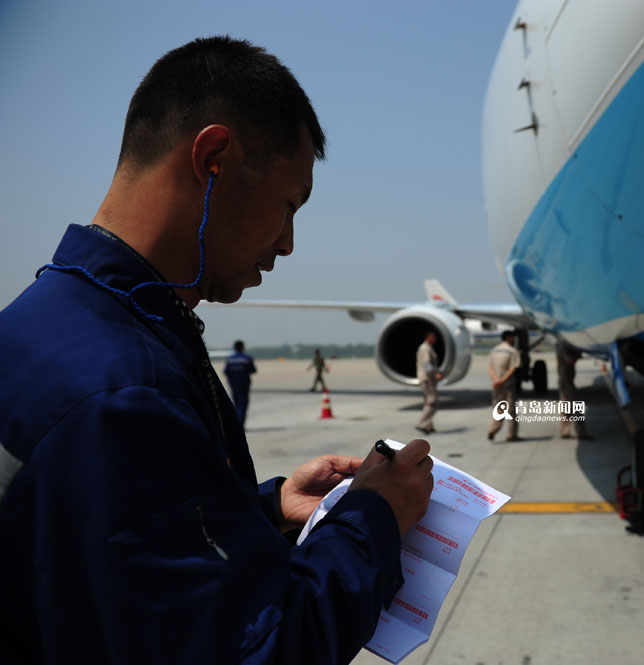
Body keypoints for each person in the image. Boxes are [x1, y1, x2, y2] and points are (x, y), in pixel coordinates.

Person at [0, 37, 434, 664]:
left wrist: (257, 511)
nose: (286, 243)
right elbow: (263, 649)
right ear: (213, 160)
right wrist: (373, 517)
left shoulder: (48, 324)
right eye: (289, 205)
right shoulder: (123, 392)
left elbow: (102, 547)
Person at [487, 330, 521, 442]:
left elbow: (490, 368)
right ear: (508, 338)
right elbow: (512, 369)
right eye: (513, 337)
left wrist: (495, 380)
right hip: (507, 385)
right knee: (511, 410)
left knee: (498, 409)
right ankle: (512, 435)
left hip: (496, 385)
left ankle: (493, 429)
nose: (514, 340)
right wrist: (502, 380)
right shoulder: (512, 351)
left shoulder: (494, 350)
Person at [556, 339, 592, 440]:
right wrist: (577, 353)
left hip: (564, 381)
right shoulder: (563, 346)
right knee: (576, 407)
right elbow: (571, 360)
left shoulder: (560, 344)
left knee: (566, 408)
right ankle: (581, 434)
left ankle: (565, 432)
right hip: (566, 382)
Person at [415, 331, 443, 434]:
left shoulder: (425, 347)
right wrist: (436, 373)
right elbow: (427, 364)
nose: (435, 339)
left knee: (428, 402)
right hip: (427, 379)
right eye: (433, 337)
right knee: (432, 402)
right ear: (428, 337)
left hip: (426, 379)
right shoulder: (426, 348)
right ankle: (421, 424)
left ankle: (428, 426)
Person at [224, 339, 257, 425]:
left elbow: (226, 372)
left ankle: (236, 424)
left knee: (236, 404)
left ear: (234, 348)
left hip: (233, 384)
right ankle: (240, 424)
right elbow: (253, 370)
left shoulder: (229, 359)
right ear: (243, 347)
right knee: (242, 406)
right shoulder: (247, 358)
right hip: (244, 385)